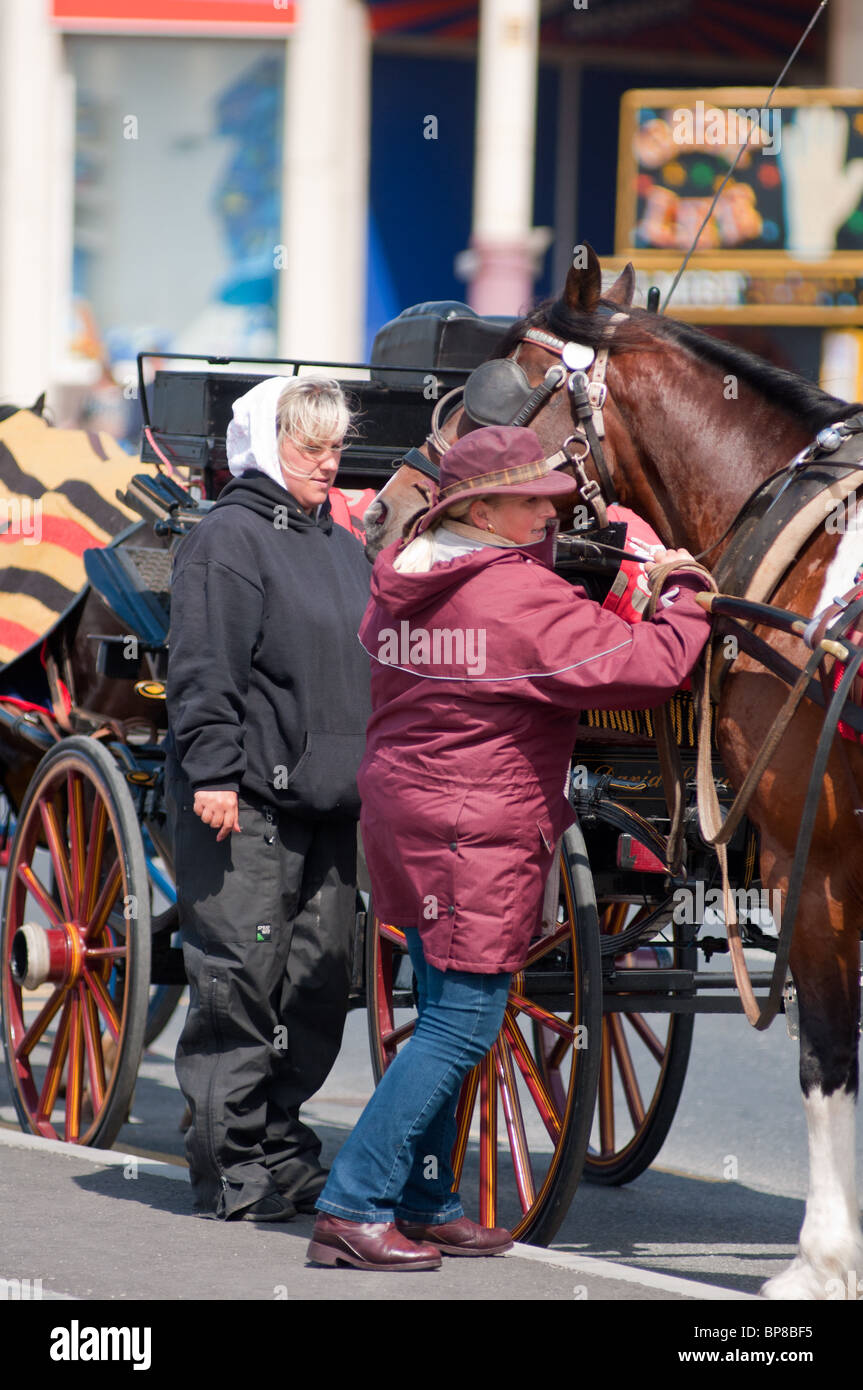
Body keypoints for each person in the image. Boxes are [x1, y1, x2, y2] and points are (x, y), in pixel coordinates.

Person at [307, 424, 711, 1271]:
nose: (548, 515)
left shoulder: (405, 577)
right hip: (473, 824)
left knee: (440, 1006)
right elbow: (646, 665)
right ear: (482, 507)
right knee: (463, 1021)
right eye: (533, 501)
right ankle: (351, 1204)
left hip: (404, 810)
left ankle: (423, 1196)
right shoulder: (511, 599)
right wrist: (685, 597)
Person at [165, 374, 371, 1222]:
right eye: (308, 447)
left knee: (320, 981)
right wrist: (213, 771)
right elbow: (206, 665)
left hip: (331, 802)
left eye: (334, 448)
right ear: (264, 444)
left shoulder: (340, 544)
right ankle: (230, 1166)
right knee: (238, 985)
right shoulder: (228, 539)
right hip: (242, 801)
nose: (327, 462)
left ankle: (282, 1144)